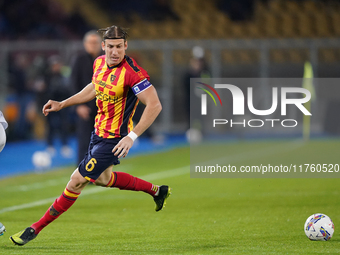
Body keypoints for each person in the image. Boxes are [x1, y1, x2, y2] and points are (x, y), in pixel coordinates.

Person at [10, 25, 171, 246]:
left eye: (119, 47)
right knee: (104, 179)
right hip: (98, 133)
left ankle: (34, 229)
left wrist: (131, 136)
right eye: (111, 47)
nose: (115, 52)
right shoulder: (98, 63)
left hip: (115, 139)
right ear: (103, 46)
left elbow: (155, 105)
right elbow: (94, 87)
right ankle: (157, 191)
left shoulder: (133, 73)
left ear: (126, 46)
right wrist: (63, 103)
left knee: (76, 181)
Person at [71, 30, 102, 164]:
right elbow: (73, 83)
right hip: (85, 106)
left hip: (103, 106)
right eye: (91, 42)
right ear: (85, 44)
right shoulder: (79, 59)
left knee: (102, 140)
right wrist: (79, 105)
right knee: (84, 139)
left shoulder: (105, 60)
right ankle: (82, 171)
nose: (93, 45)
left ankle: (99, 169)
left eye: (95, 42)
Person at [45, 55, 73, 157]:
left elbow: (68, 90)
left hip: (62, 104)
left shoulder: (64, 77)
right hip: (49, 105)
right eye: (54, 65)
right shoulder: (47, 77)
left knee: (64, 125)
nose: (56, 67)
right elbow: (44, 92)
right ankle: (50, 145)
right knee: (50, 126)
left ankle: (65, 145)